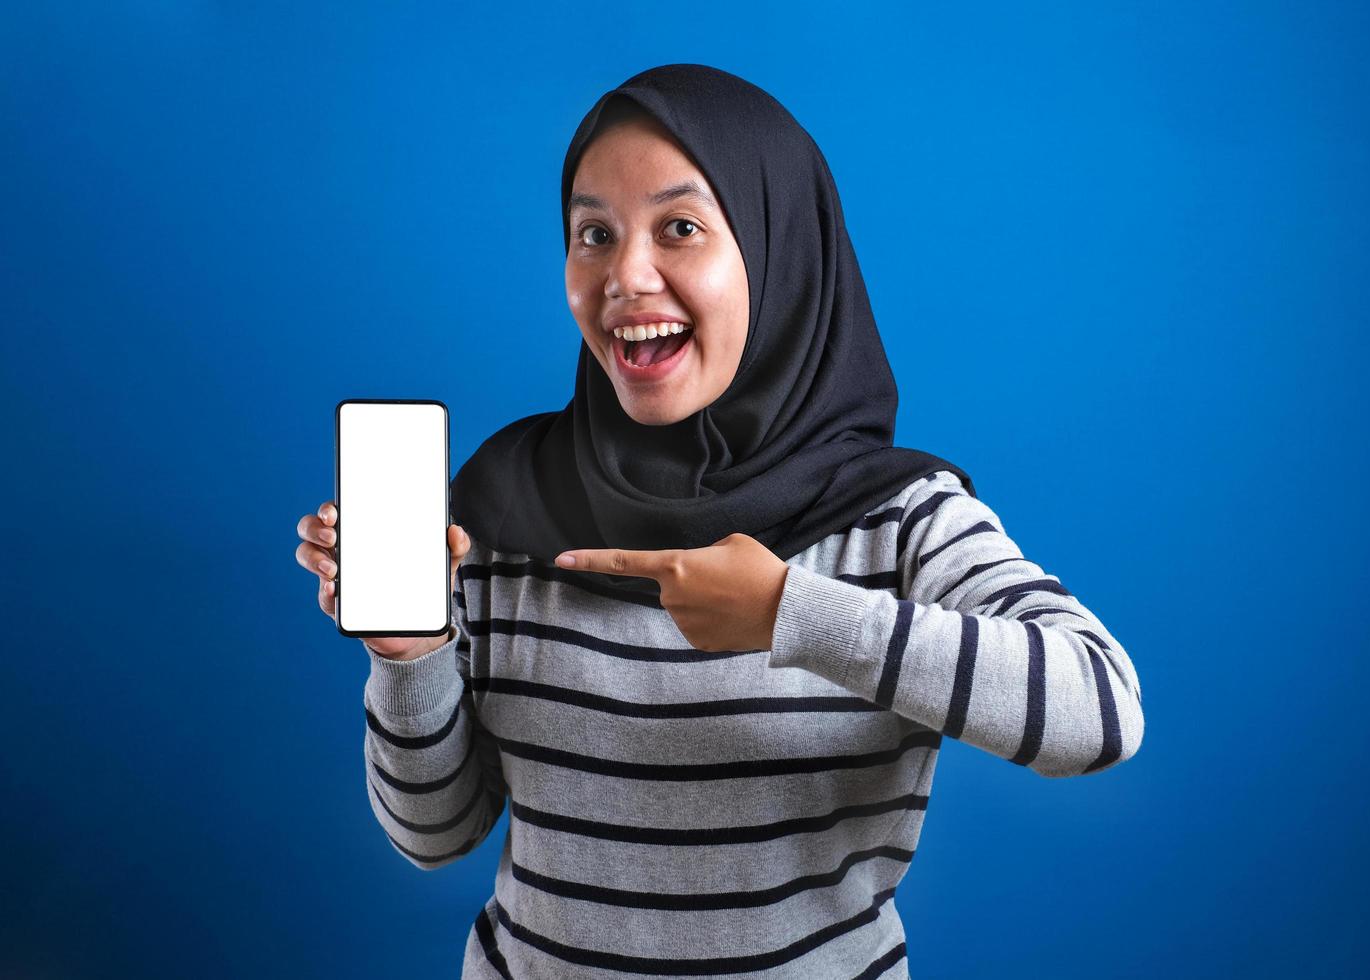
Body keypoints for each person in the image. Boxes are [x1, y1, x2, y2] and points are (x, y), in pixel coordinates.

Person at [295, 64, 1144, 980]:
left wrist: (793, 612)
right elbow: (434, 836)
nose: (624, 274)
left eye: (681, 228)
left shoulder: (897, 520)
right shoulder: (504, 502)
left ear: (779, 254)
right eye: (593, 234)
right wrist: (409, 656)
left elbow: (1100, 712)